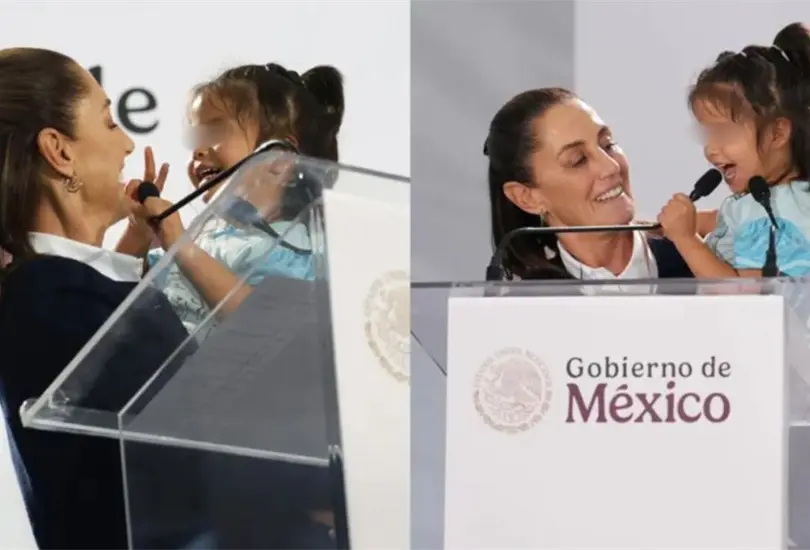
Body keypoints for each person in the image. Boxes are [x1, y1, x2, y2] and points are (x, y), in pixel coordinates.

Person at [0, 48, 211, 549]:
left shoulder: (57, 289)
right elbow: (195, 455)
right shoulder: (49, 298)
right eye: (110, 122)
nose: (128, 144)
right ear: (60, 150)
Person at [131, 62, 344, 339]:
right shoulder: (193, 240)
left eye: (215, 133)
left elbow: (263, 328)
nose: (197, 151)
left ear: (279, 159)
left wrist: (181, 246)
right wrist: (137, 232)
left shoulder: (301, 253)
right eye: (196, 138)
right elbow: (117, 299)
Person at [485, 87, 693, 281]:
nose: (611, 166)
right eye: (578, 160)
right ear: (527, 197)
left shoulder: (701, 259)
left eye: (607, 144)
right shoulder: (528, 308)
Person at [658, 22, 810, 278]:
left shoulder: (767, 219)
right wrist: (683, 221)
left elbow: (746, 299)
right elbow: (729, 220)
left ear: (777, 133)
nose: (710, 149)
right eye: (708, 134)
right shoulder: (782, 202)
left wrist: (686, 239)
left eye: (723, 133)